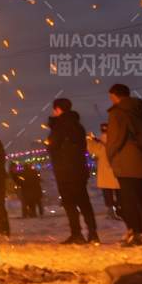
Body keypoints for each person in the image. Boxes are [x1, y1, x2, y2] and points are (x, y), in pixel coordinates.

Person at [104, 83, 142, 246]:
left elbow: (115, 139)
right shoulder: (139, 112)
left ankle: (137, 233)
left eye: (111, 97)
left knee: (129, 199)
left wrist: (110, 156)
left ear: (115, 96)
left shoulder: (117, 113)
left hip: (125, 161)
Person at [45, 99, 98, 243]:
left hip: (64, 170)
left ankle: (76, 234)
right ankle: (93, 234)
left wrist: (49, 145)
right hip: (79, 168)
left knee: (69, 204)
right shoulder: (78, 126)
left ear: (57, 109)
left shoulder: (59, 126)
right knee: (84, 201)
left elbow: (53, 145)